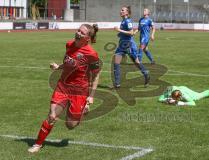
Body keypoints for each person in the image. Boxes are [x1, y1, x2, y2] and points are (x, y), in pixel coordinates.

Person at [28, 24, 101, 153]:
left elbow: (96, 75)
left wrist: (91, 96)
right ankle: (37, 144)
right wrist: (59, 66)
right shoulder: (69, 44)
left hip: (79, 91)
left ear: (87, 38)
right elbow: (69, 62)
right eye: (78, 30)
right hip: (63, 87)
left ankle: (82, 109)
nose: (78, 33)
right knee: (52, 116)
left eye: (82, 33)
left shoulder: (92, 54)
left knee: (70, 125)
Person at [114, 6, 150, 88]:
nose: (121, 11)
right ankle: (117, 84)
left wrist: (119, 30)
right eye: (121, 9)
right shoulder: (123, 21)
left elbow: (131, 32)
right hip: (122, 45)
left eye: (122, 10)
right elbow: (126, 33)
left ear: (127, 13)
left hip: (129, 45)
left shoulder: (128, 21)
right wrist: (120, 34)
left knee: (136, 63)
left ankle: (146, 73)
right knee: (116, 63)